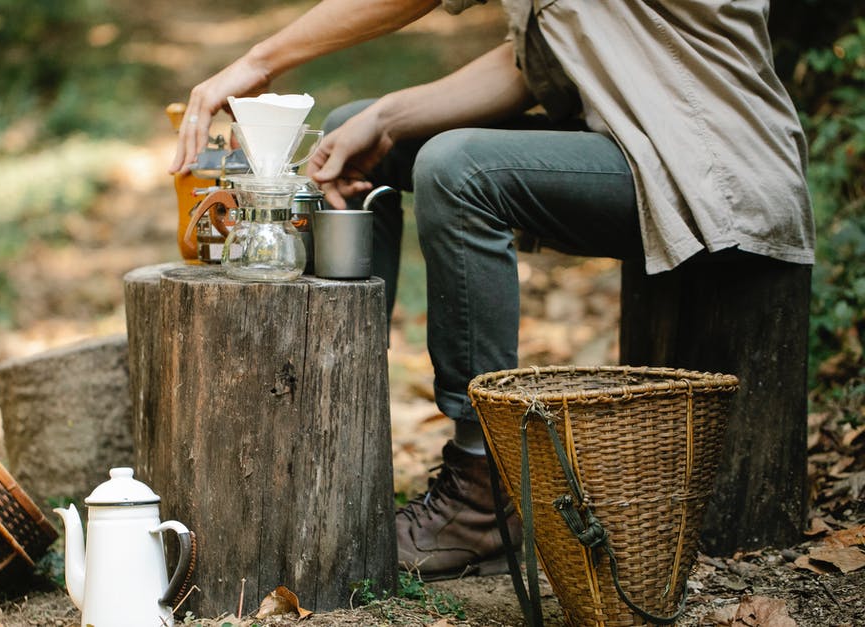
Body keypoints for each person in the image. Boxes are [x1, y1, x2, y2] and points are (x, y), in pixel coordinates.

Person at [169, 0, 814, 581]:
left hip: (712, 170)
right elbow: (527, 67)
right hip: (629, 144)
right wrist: (386, 120)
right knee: (355, 124)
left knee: (458, 170)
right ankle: (332, 452)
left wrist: (258, 61)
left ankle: (483, 486)